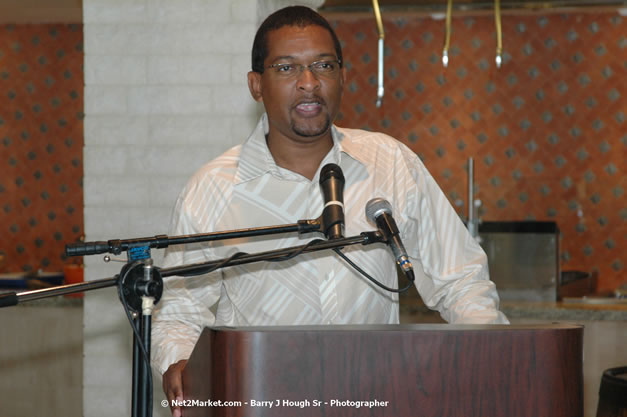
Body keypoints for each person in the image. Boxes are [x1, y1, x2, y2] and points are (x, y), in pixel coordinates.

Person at [152, 6, 508, 416]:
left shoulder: (389, 164)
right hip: (263, 401)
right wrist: (178, 363)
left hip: (376, 401)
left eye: (323, 65)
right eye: (286, 68)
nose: (308, 83)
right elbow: (180, 312)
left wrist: (492, 361)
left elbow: (460, 282)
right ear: (256, 84)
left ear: (343, 76)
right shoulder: (213, 189)